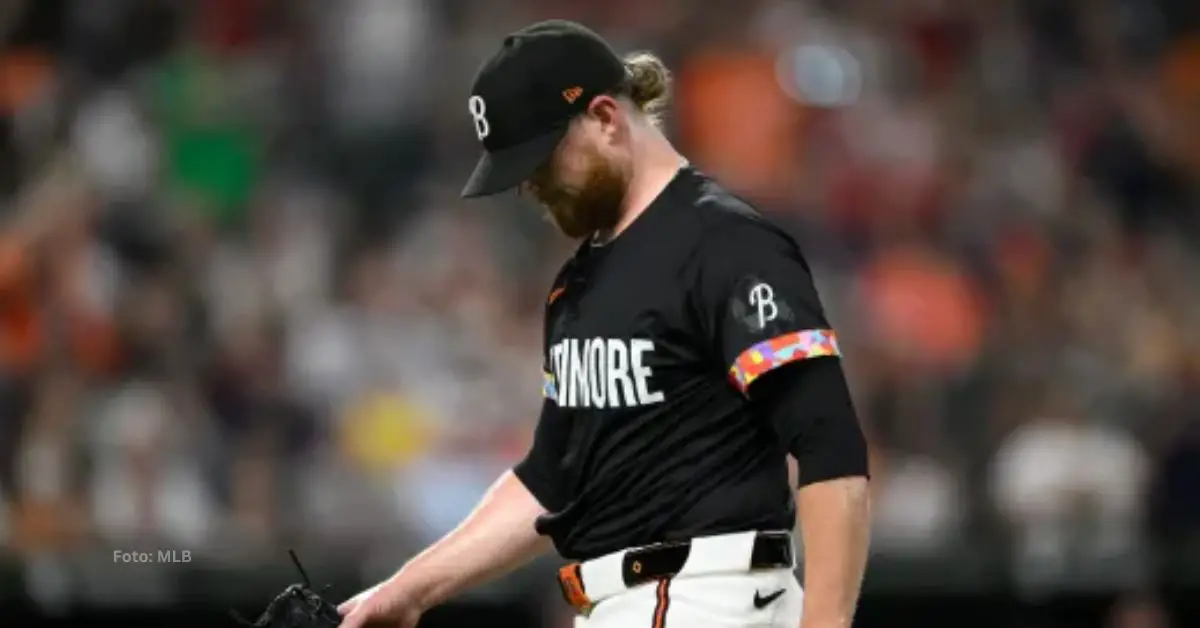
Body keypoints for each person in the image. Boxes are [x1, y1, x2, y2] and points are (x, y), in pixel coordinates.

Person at [337, 19, 871, 628]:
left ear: (606, 118)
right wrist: (408, 590)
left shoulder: (726, 245)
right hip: (632, 604)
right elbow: (555, 480)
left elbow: (831, 448)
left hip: (704, 596)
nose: (531, 185)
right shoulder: (578, 286)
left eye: (541, 158)